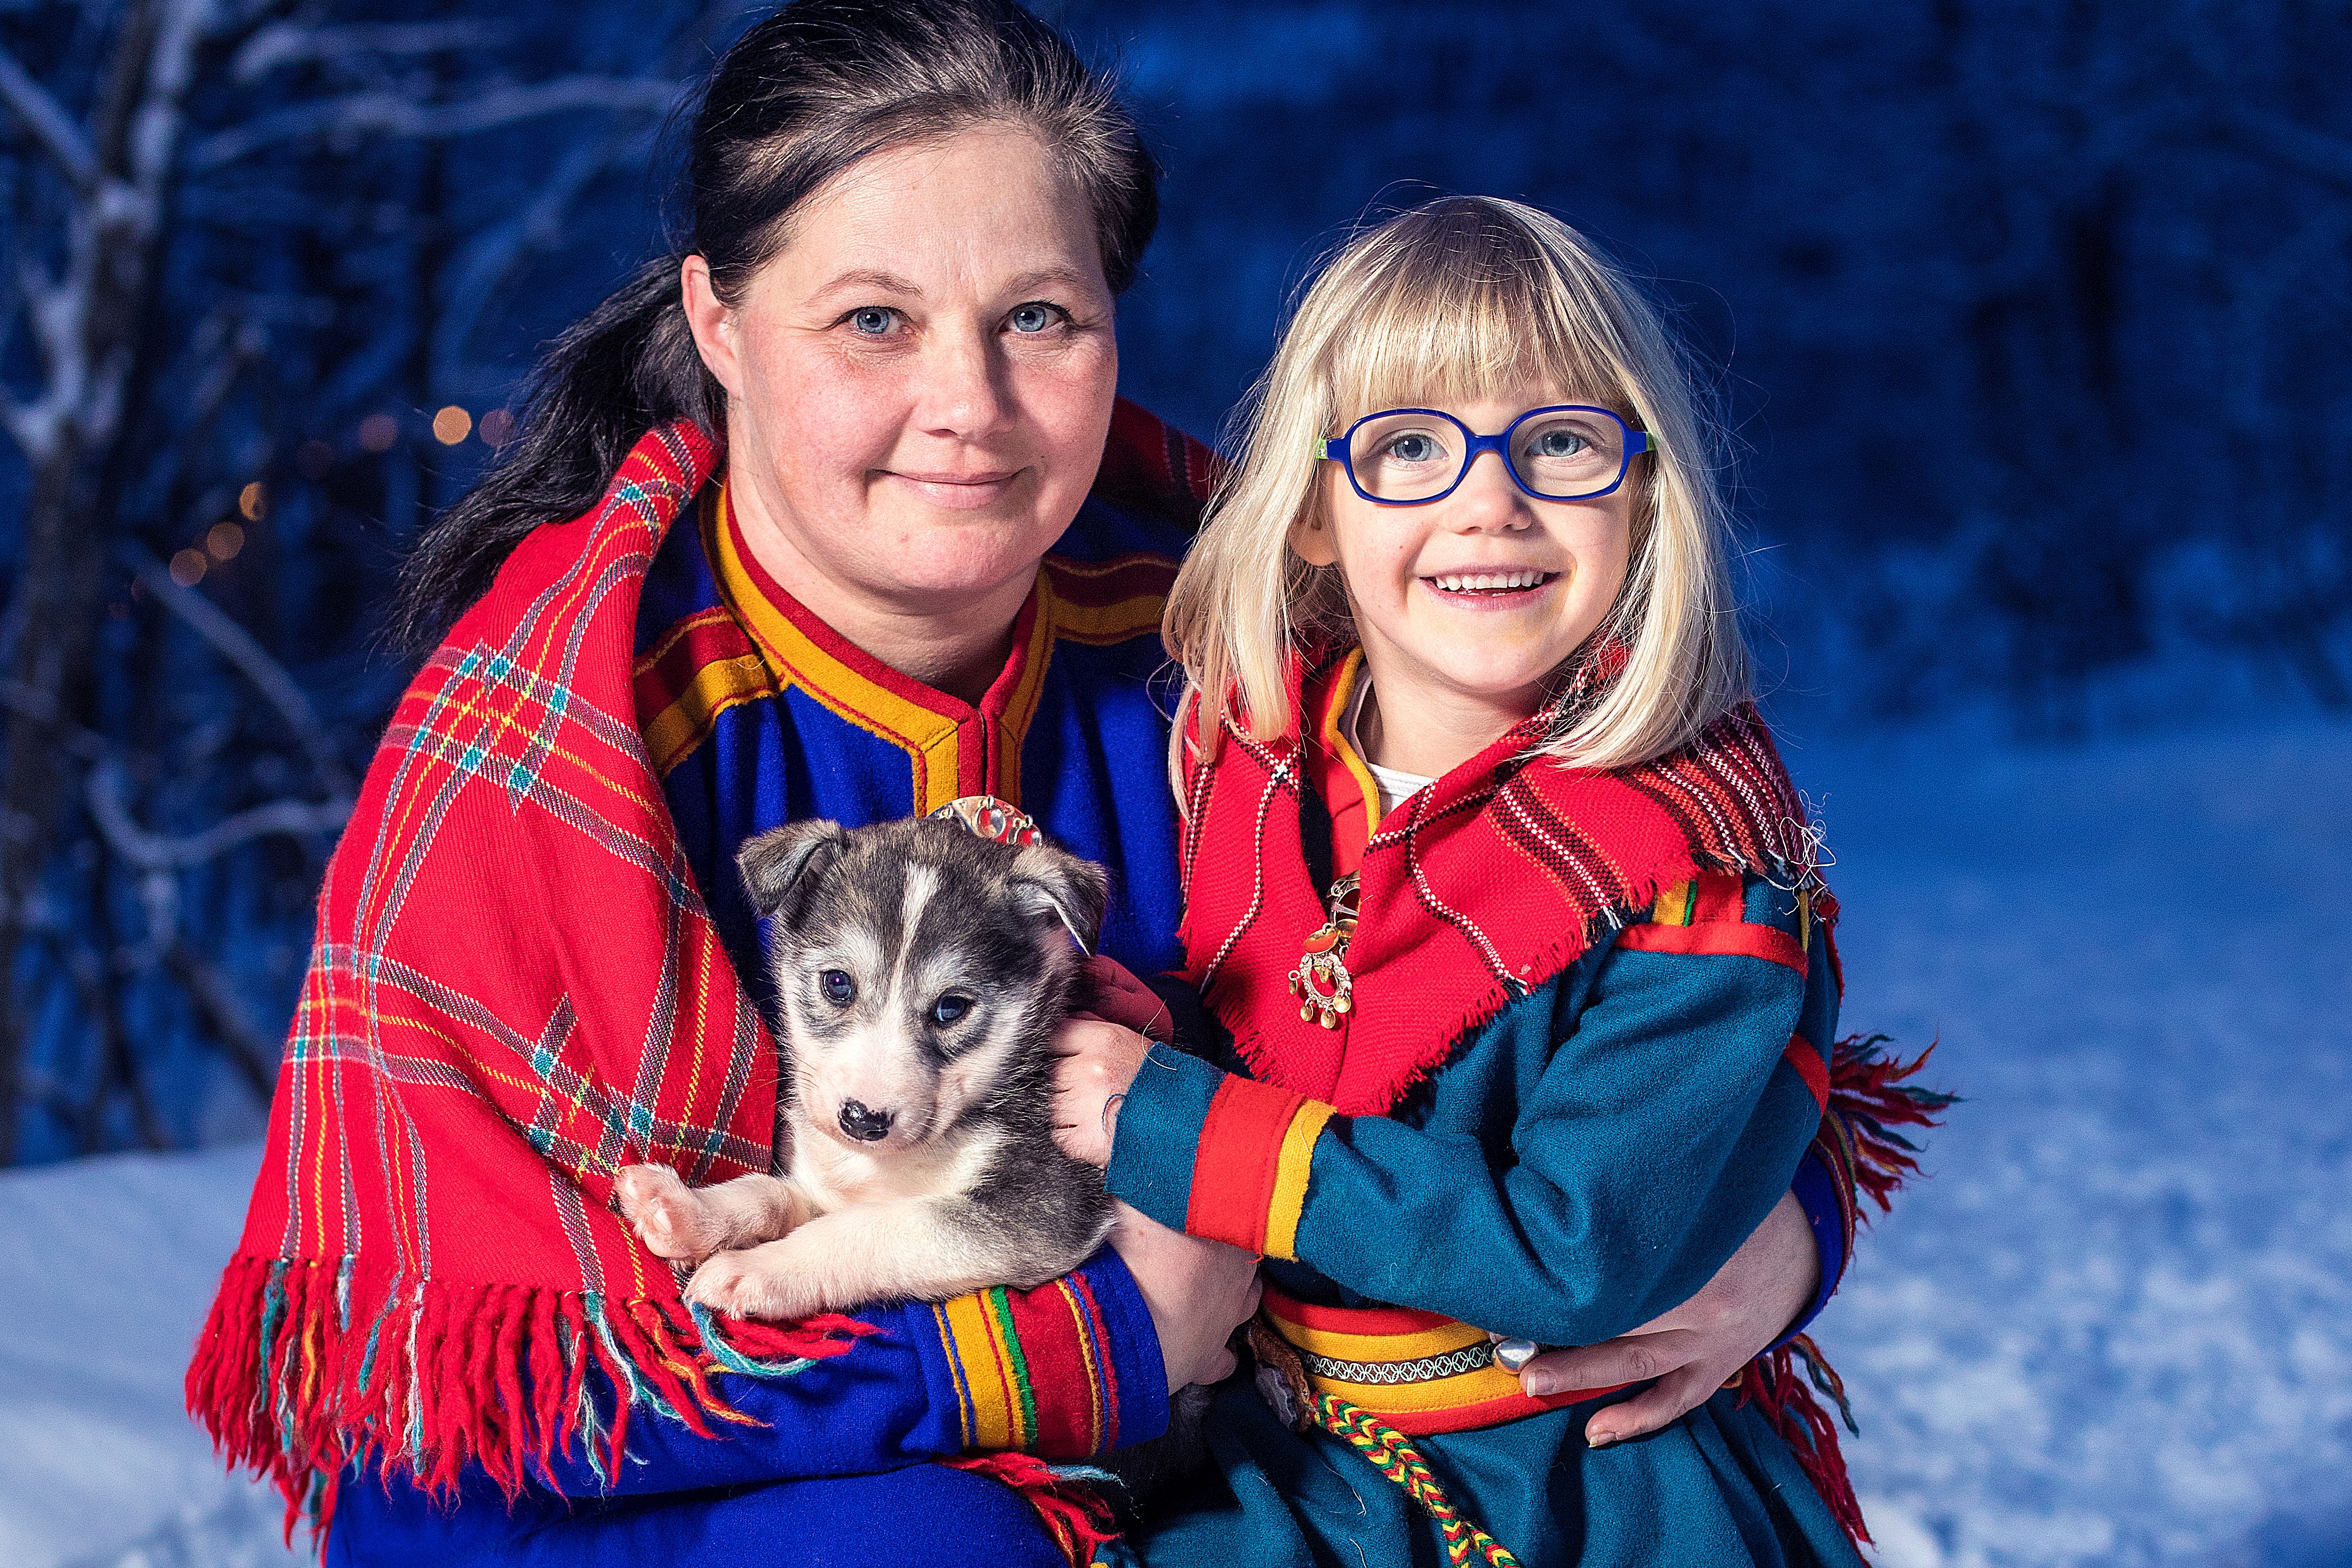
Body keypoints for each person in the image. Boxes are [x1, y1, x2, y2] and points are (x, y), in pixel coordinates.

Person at [184, 5, 1889, 1564]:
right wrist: (1090, 1342)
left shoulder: (1223, 627)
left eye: (1038, 319)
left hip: (1245, 1453)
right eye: (873, 319)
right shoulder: (563, 743)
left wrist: (1769, 1223)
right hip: (645, 1501)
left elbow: (1607, 889)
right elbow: (459, 1406)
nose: (971, 407)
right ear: (716, 315)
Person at [1050, 196, 1941, 1567]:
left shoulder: (1698, 872)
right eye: (1407, 445)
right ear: (1305, 510)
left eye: (1562, 443)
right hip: (1270, 1455)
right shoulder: (1233, 752)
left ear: (1645, 497)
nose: (1488, 501)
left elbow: (1576, 1251)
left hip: (1567, 1486)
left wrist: (1159, 1117)